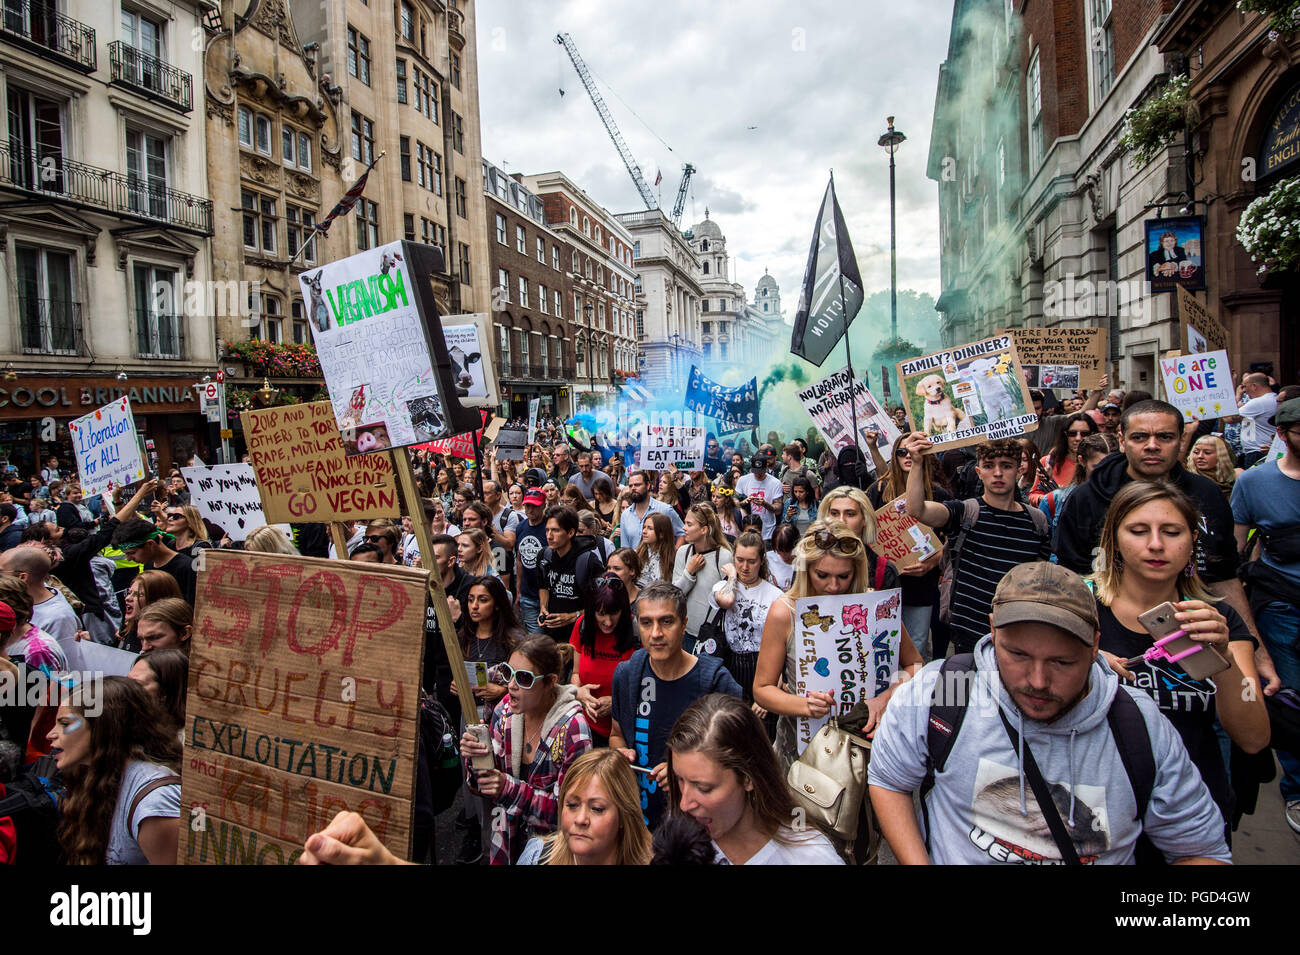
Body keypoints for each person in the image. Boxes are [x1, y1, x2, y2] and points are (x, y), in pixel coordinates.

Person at [868, 561, 1233, 865]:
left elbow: (1200, 850)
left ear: (1094, 647)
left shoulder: (1139, 725)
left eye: (1062, 661)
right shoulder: (943, 691)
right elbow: (889, 779)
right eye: (1018, 655)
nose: (1038, 681)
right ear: (993, 631)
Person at [1091, 481, 1268, 838]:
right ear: (1114, 541)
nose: (1156, 544)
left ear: (1192, 544)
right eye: (1139, 531)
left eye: (1172, 532)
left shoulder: (1218, 620)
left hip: (1190, 812)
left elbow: (1253, 737)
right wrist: (1082, 659)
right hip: (1099, 808)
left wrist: (1224, 661)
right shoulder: (1082, 608)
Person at [1054, 400, 1272, 687]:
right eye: (1140, 437)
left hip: (1200, 639)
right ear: (1121, 440)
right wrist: (1083, 648)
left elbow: (1224, 578)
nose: (1152, 446)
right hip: (1111, 649)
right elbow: (1072, 583)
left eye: (1165, 437)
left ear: (1182, 440)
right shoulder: (1086, 500)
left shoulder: (1207, 494)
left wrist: (1254, 651)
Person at [754, 520, 921, 771]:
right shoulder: (785, 611)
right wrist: (804, 705)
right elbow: (762, 688)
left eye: (844, 576)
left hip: (867, 750)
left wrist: (890, 695)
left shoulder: (876, 606)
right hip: (804, 756)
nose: (833, 586)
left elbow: (916, 664)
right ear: (805, 569)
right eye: (822, 575)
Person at [609, 581, 742, 828]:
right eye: (646, 623)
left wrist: (686, 773)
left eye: (666, 621)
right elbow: (616, 734)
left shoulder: (716, 683)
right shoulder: (627, 676)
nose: (656, 633)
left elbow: (740, 757)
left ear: (684, 625)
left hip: (699, 825)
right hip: (640, 822)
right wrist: (621, 754)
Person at [904, 433, 1050, 656]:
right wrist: (916, 462)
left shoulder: (1037, 521)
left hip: (1018, 632)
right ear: (978, 472)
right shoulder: (965, 512)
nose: (998, 473)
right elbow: (917, 510)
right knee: (963, 688)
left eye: (1006, 466)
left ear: (1020, 469)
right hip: (969, 633)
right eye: (989, 466)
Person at [459, 635, 593, 865]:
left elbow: (569, 813)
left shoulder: (573, 729)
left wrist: (508, 788)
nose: (510, 684)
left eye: (523, 678)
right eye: (507, 672)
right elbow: (483, 787)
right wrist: (476, 759)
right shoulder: (504, 713)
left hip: (551, 853)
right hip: (504, 844)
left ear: (550, 682)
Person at [667, 693, 843, 865]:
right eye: (680, 780)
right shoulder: (679, 843)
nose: (685, 803)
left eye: (704, 788)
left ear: (747, 778)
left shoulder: (809, 856)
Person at [1232, 396, 1300, 833]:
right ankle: (1297, 788)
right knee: (1291, 696)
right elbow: (1232, 557)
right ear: (1282, 433)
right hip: (1282, 603)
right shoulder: (1253, 483)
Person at [48, 676, 182, 864]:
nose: (50, 734)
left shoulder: (155, 802)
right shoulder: (93, 773)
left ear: (103, 727)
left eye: (65, 724)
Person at [868, 441, 949, 659]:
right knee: (881, 646)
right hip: (883, 587)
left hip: (921, 587)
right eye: (902, 451)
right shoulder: (877, 490)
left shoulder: (940, 495)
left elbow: (953, 542)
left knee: (917, 647)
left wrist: (932, 562)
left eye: (916, 451)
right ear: (894, 455)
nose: (909, 455)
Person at [517, 749, 654, 865]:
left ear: (624, 816)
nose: (581, 819)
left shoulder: (655, 860)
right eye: (572, 805)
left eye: (597, 808)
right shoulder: (536, 856)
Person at [711, 531, 785, 703]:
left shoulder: (775, 595)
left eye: (751, 562)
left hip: (763, 664)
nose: (745, 567)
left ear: (761, 561)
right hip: (731, 662)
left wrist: (775, 686)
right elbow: (727, 600)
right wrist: (732, 577)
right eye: (740, 560)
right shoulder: (723, 586)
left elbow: (783, 644)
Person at [568, 574, 638, 746]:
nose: (608, 622)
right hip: (587, 729)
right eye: (601, 614)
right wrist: (579, 693)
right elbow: (575, 672)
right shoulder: (582, 627)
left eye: (614, 613)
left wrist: (616, 702)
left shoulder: (637, 631)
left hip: (625, 733)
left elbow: (648, 685)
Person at [670, 503, 732, 656]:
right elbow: (674, 595)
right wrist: (689, 572)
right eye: (685, 523)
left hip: (712, 636)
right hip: (686, 632)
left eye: (689, 524)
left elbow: (728, 597)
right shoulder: (683, 553)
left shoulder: (723, 556)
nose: (684, 528)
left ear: (704, 529)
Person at [538, 506, 605, 643]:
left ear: (570, 533)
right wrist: (543, 607)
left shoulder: (588, 562)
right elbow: (543, 585)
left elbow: (601, 604)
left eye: (555, 530)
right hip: (551, 635)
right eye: (547, 530)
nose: (549, 536)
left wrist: (573, 616)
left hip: (580, 635)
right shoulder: (544, 555)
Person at [1038, 432, 1117, 541]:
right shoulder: (1054, 500)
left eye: (1111, 466)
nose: (1105, 473)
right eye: (1097, 467)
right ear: (1082, 461)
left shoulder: (1127, 497)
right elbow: (1044, 549)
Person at [1, 545, 78, 648]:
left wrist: (17, 664)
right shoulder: (14, 599)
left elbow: (63, 660)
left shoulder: (58, 618)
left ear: (22, 577)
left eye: (1, 572)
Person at [111, 517, 196, 605]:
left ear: (150, 544)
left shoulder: (187, 567)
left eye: (132, 552)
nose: (129, 559)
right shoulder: (148, 565)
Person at [1030, 412, 1097, 505]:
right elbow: (1034, 495)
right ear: (1065, 435)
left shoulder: (1099, 463)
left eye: (1084, 434)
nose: (1078, 438)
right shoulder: (1048, 462)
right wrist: (1049, 499)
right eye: (1072, 433)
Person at [129, 648, 189, 738]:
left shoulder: (185, 740)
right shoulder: (127, 721)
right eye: (127, 681)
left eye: (137, 684)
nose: (126, 687)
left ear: (164, 692)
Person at [619, 470, 685, 552]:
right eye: (630, 486)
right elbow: (625, 547)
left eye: (637, 485)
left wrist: (674, 555)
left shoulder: (665, 510)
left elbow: (682, 533)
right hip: (635, 563)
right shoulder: (625, 515)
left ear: (647, 486)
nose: (633, 488)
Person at [116, 570, 181, 652]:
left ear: (157, 600)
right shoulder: (132, 628)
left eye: (138, 594)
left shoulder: (167, 639)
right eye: (129, 593)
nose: (127, 598)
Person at [513, 489, 548, 633]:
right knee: (535, 639)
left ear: (543, 506)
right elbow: (519, 559)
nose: (530, 509)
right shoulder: (521, 527)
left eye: (535, 506)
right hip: (528, 594)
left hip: (548, 593)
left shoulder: (550, 528)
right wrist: (519, 589)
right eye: (527, 506)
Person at [1226, 372, 1278, 468]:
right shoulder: (1273, 398)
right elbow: (1249, 423)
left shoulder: (1259, 402)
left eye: (1245, 387)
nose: (1244, 391)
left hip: (1257, 452)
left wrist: (1238, 396)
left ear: (1254, 386)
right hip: (1261, 450)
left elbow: (1228, 418)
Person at [734, 455, 783, 543]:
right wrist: (744, 502)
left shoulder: (775, 483)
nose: (758, 474)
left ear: (766, 467)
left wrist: (765, 504)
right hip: (746, 530)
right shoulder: (743, 480)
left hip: (768, 532)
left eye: (761, 471)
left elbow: (778, 509)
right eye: (756, 472)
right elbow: (734, 502)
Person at [1187, 434, 1241, 499]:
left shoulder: (1234, 479)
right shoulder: (1187, 480)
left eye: (1207, 452)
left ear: (1221, 456)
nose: (1200, 456)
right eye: (1196, 452)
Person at [635, 512, 676, 589]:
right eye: (644, 527)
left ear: (662, 534)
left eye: (650, 528)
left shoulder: (672, 557)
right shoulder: (637, 554)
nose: (644, 531)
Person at [766, 523, 798, 591]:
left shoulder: (802, 562)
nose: (782, 554)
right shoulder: (768, 558)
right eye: (778, 551)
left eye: (787, 551)